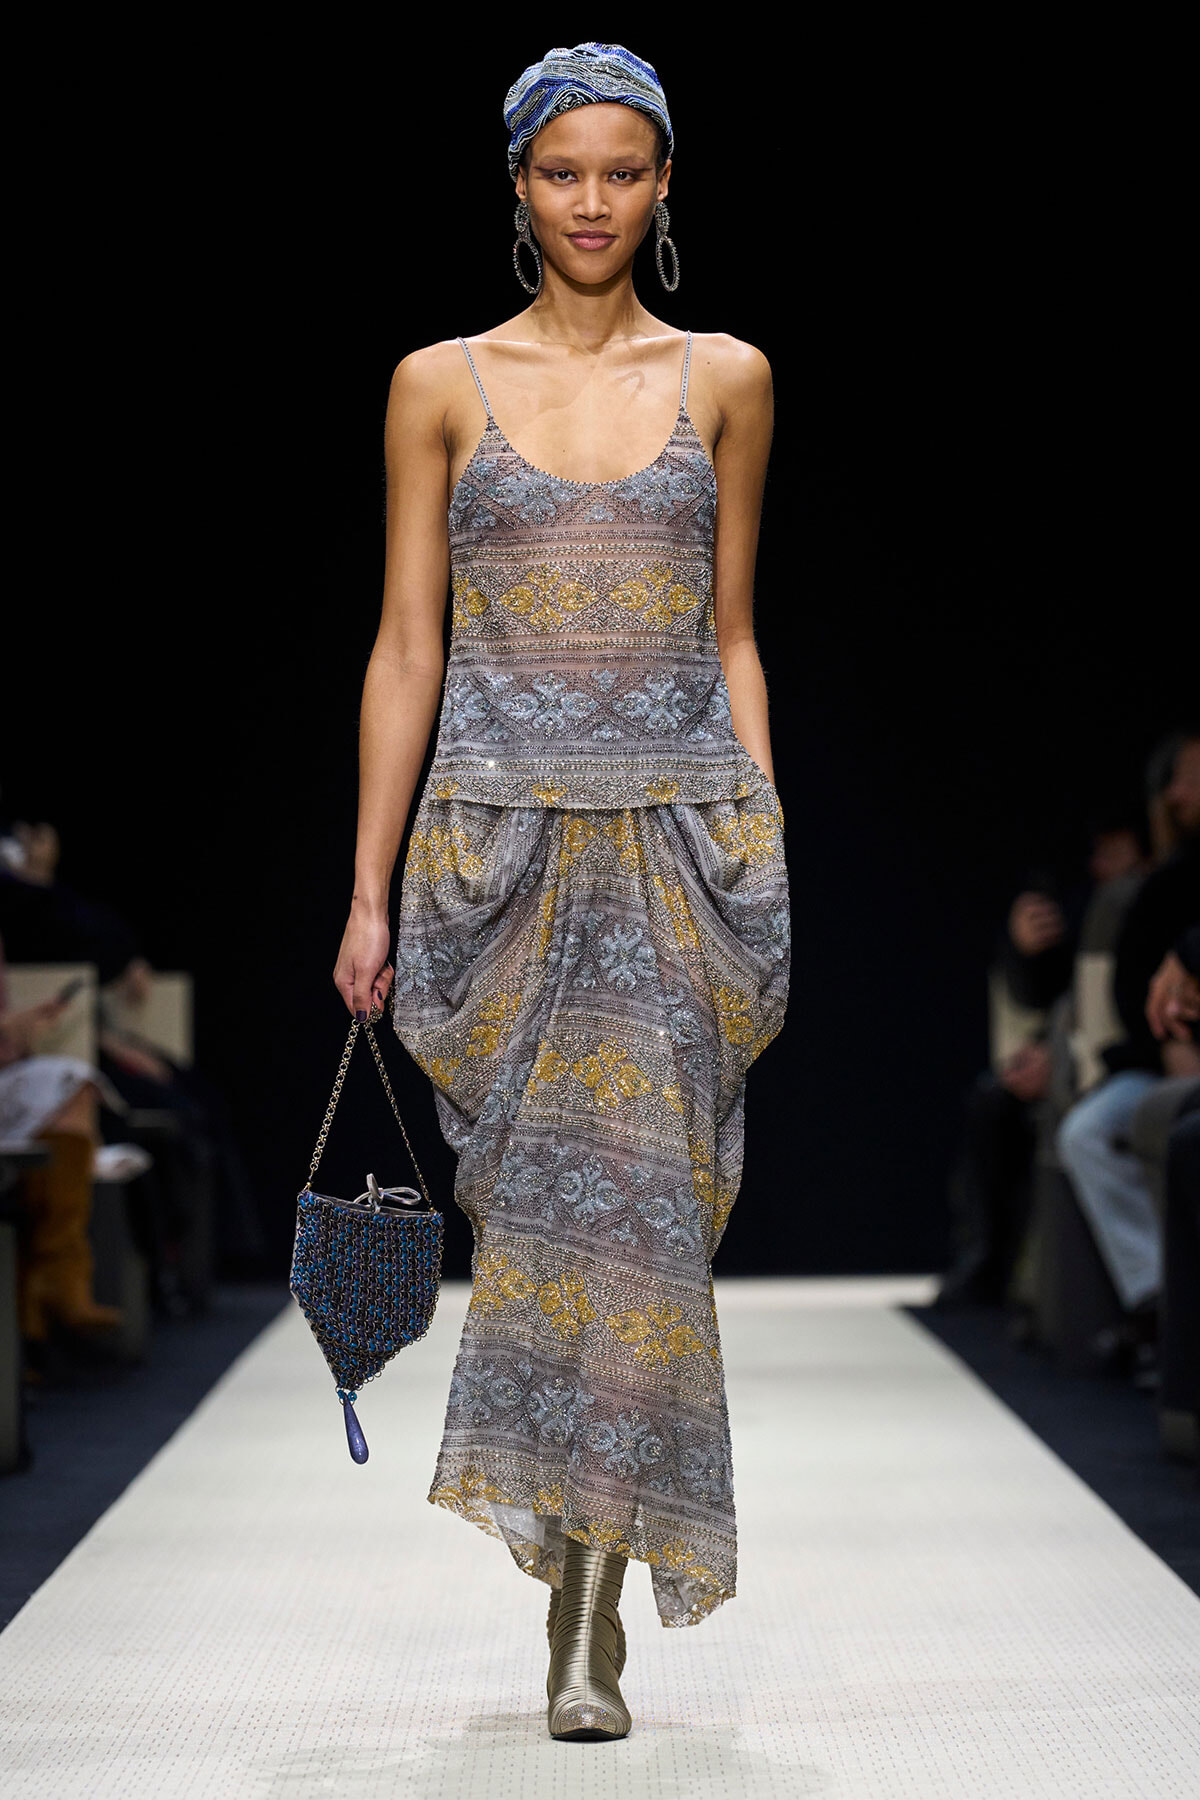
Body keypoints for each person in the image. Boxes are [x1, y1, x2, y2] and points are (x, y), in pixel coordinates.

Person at [332, 42, 789, 1742]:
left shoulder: (729, 375)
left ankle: (589, 1618)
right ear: (517, 184)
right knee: (538, 1227)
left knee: (646, 1231)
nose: (592, 201)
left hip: (679, 841)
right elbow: (404, 646)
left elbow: (732, 629)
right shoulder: (436, 385)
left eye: (623, 171)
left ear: (666, 184)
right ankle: (573, 1555)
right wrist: (369, 890)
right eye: (561, 171)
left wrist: (769, 822)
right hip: (497, 851)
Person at [1055, 728, 1200, 1340]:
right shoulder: (1167, 887)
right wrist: (1172, 1043)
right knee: (1088, 1131)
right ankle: (1159, 1302)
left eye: (1190, 775)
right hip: (1163, 1058)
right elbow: (1130, 993)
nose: (1175, 793)